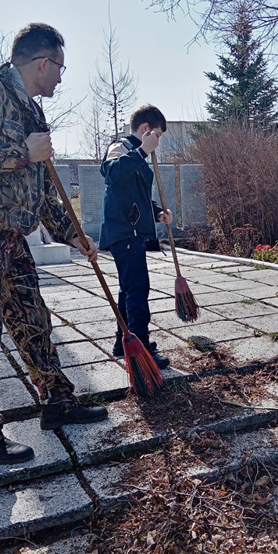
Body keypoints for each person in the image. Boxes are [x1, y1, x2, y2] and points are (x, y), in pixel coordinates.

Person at [0, 23, 108, 466]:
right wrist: (20, 149)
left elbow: (40, 186)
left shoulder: (31, 111)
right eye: (60, 68)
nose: (60, 77)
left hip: (10, 236)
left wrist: (71, 233)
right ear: (42, 63)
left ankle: (57, 401)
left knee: (33, 320)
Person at [99, 104, 173, 369]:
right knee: (138, 288)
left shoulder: (137, 155)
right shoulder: (121, 148)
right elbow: (112, 174)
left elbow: (136, 194)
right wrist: (143, 150)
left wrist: (156, 213)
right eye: (158, 136)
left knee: (128, 288)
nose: (158, 142)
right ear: (146, 130)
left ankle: (123, 341)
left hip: (132, 230)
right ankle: (141, 349)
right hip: (124, 231)